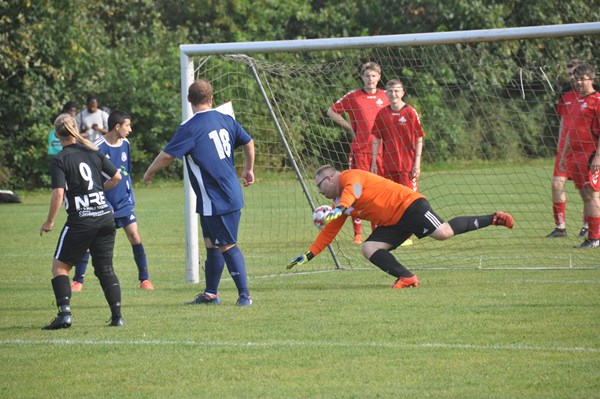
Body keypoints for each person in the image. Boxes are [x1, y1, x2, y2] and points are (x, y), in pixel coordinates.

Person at [287, 165, 514, 288]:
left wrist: (339, 208)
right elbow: (329, 231)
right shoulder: (337, 204)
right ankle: (407, 277)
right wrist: (309, 254)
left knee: (443, 233)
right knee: (369, 248)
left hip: (409, 205)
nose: (320, 192)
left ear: (329, 179)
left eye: (319, 186)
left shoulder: (349, 176)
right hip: (394, 222)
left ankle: (493, 218)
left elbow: (354, 190)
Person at [143, 78, 255, 306]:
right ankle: (210, 294)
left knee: (227, 244)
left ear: (188, 100)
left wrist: (149, 172)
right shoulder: (226, 119)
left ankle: (245, 296)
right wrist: (248, 169)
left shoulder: (189, 127)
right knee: (211, 243)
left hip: (217, 198)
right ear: (211, 98)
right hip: (220, 195)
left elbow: (166, 156)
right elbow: (249, 142)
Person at [39, 113, 124, 329]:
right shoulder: (93, 152)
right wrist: (97, 194)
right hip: (105, 217)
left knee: (60, 267)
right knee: (105, 269)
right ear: (75, 130)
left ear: (57, 134)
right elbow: (116, 177)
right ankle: (117, 317)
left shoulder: (60, 159)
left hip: (82, 220)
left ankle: (64, 314)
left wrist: (49, 221)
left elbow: (59, 193)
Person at [70, 110, 155, 292]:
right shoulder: (97, 147)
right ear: (117, 127)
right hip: (101, 202)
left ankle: (144, 279)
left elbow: (127, 172)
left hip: (123, 201)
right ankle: (78, 280)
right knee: (90, 240)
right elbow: (90, 179)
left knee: (134, 235)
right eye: (128, 125)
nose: (130, 129)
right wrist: (103, 202)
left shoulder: (125, 144)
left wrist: (130, 192)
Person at [327, 62, 389, 244]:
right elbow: (331, 111)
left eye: (374, 76)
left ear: (379, 77)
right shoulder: (353, 97)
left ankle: (377, 230)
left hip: (382, 152)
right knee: (356, 189)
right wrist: (348, 126)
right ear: (362, 77)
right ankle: (357, 233)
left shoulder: (386, 97)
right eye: (367, 76)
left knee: (379, 191)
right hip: (360, 151)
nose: (370, 79)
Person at [547, 59, 594, 238]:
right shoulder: (565, 94)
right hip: (566, 148)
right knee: (556, 184)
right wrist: (560, 146)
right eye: (569, 75)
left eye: (576, 74)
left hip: (586, 149)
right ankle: (560, 228)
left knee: (588, 190)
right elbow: (563, 121)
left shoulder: (594, 96)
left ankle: (587, 226)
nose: (573, 79)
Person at [558, 63, 600, 248]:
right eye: (576, 79)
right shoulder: (575, 101)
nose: (578, 83)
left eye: (582, 79)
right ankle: (593, 234)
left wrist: (598, 157)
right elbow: (570, 132)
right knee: (585, 196)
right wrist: (563, 156)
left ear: (591, 79)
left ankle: (594, 237)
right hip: (574, 157)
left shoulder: (597, 101)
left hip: (590, 155)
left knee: (592, 196)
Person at [371, 79, 424, 191]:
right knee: (392, 198)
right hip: (389, 166)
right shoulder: (382, 114)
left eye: (396, 91)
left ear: (402, 93)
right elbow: (376, 139)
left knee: (410, 199)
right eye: (390, 91)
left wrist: (417, 164)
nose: (393, 94)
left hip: (407, 166)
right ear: (386, 93)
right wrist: (374, 162)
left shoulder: (410, 112)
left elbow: (419, 138)